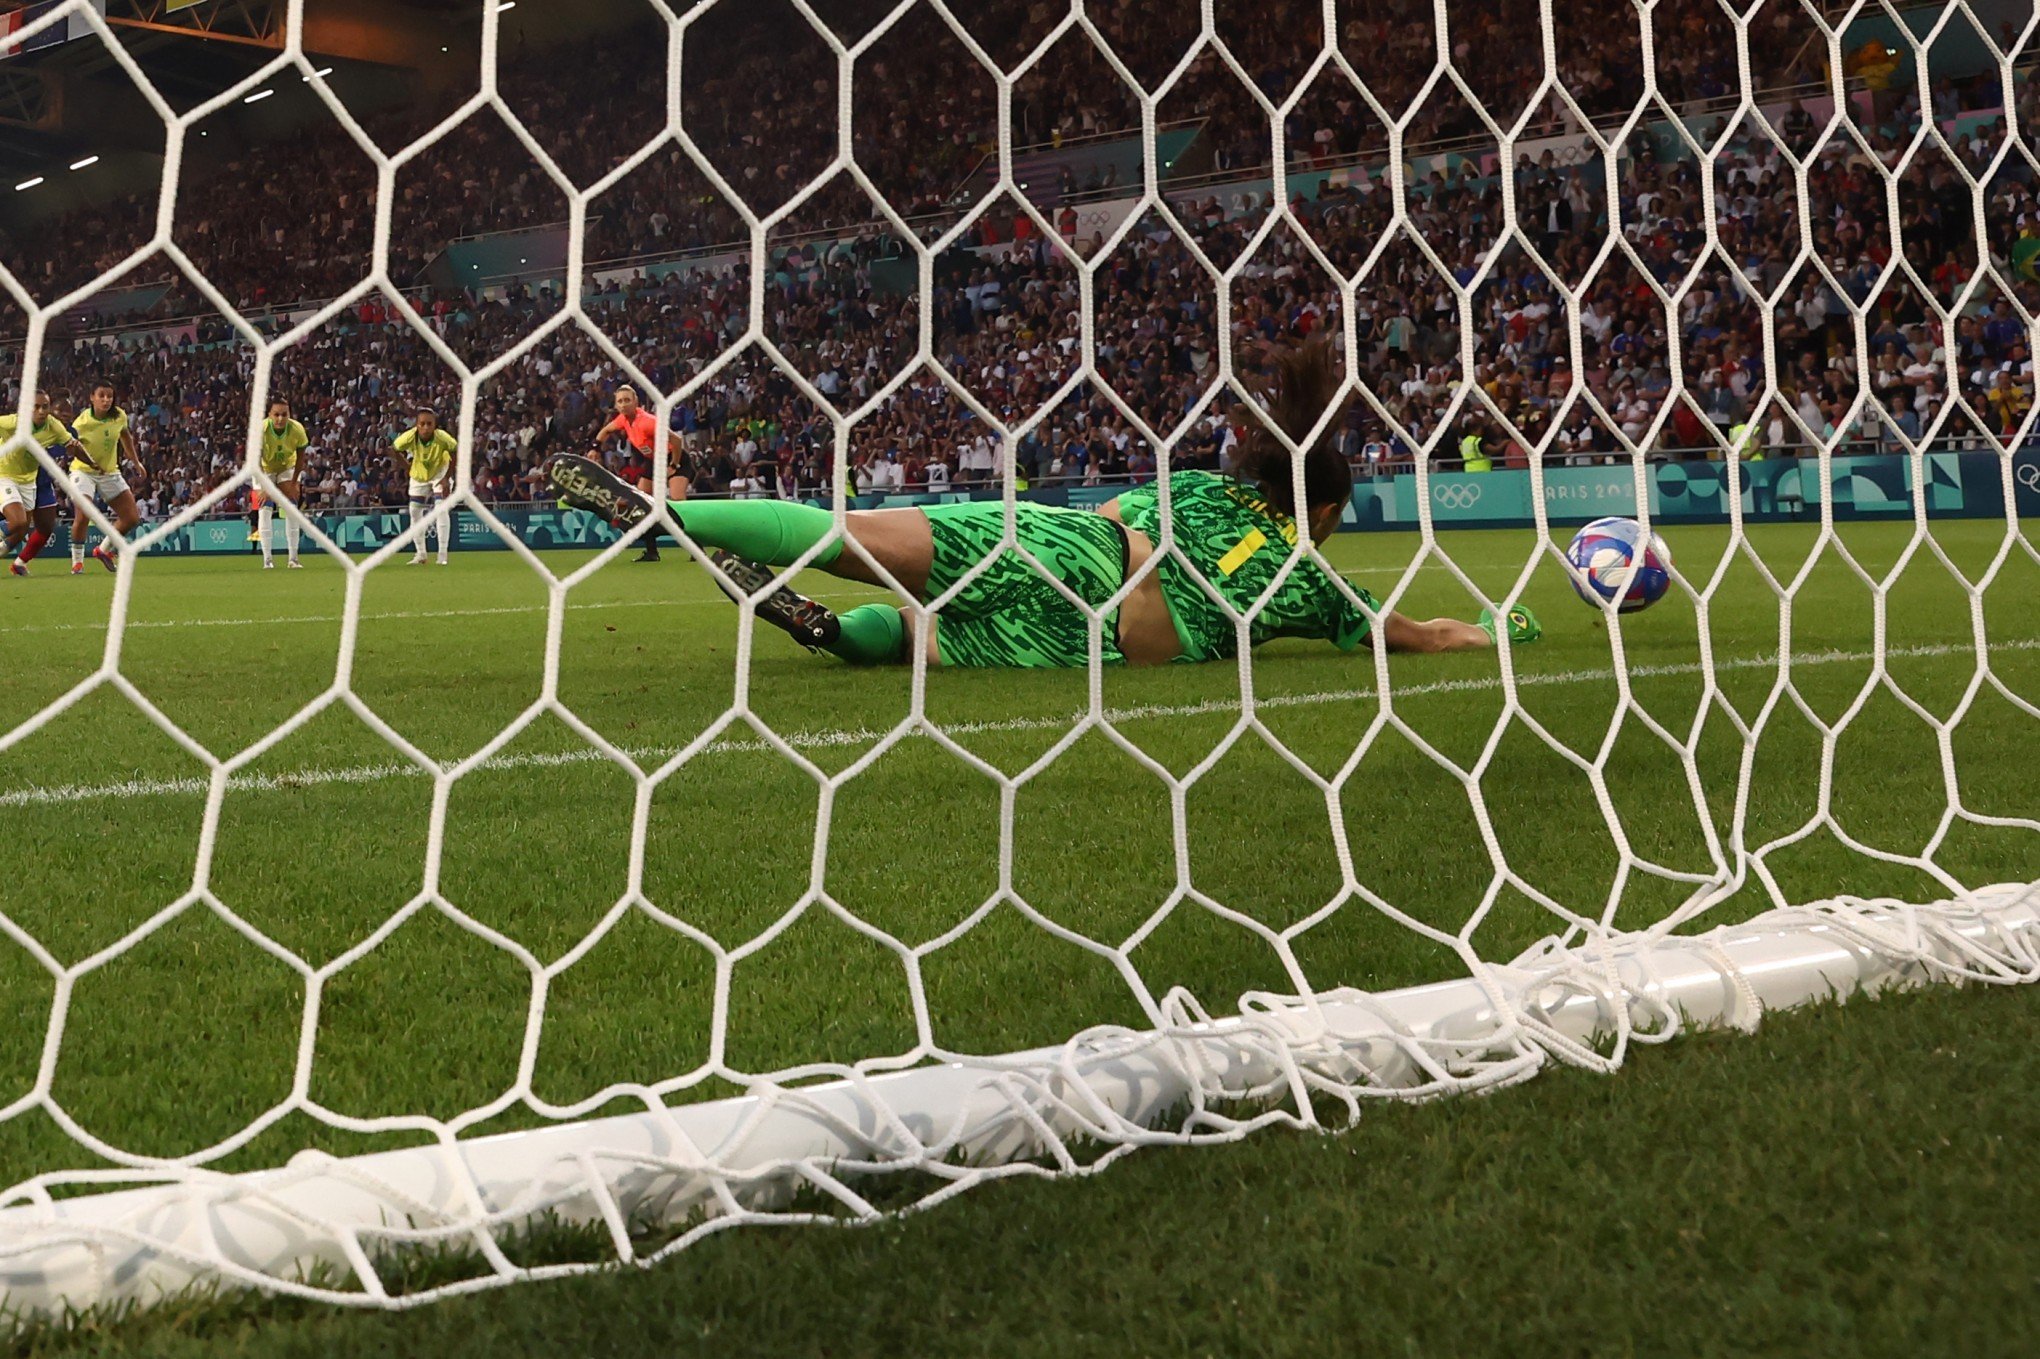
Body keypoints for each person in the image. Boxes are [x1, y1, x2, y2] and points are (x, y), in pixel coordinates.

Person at [542, 340, 1540, 669]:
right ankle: (832, 636)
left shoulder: (1201, 485)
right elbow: (1426, 633)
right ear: (1321, 513)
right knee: (925, 639)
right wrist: (1502, 625)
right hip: (1086, 641)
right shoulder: (1315, 587)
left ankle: (669, 518)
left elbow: (1113, 521)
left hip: (1059, 548)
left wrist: (1145, 547)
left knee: (854, 541)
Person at [591, 383, 690, 563]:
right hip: (654, 462)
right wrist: (595, 449)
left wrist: (674, 465)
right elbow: (605, 431)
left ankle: (696, 549)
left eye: (627, 400)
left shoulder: (647, 421)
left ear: (636, 401)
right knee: (641, 504)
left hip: (674, 458)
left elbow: (676, 440)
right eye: (620, 401)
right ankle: (652, 552)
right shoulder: (623, 419)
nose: (623, 404)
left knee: (678, 502)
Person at [0, 390, 87, 577]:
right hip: (13, 477)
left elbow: (71, 453)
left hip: (42, 484)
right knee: (19, 525)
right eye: (61, 414)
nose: (64, 419)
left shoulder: (66, 433)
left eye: (68, 416)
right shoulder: (25, 424)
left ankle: (20, 562)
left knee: (46, 527)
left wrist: (90, 462)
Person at [66, 379, 148, 574]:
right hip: (83, 471)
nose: (106, 400)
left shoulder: (119, 416)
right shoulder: (81, 423)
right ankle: (77, 562)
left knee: (131, 517)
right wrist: (89, 461)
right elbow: (70, 449)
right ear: (92, 398)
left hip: (109, 472)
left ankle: (103, 550)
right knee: (84, 513)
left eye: (109, 396)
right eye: (101, 395)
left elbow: (125, 436)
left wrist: (136, 462)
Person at [392, 407, 457, 565]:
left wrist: (447, 478)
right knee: (414, 511)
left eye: (429, 424)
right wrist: (408, 467)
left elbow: (455, 452)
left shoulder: (443, 438)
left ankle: (442, 555)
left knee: (441, 509)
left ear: (435, 425)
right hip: (419, 475)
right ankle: (421, 554)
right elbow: (394, 450)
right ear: (417, 424)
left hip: (440, 472)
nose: (426, 427)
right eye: (422, 424)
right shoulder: (409, 437)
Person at [254, 398, 309, 570]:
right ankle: (267, 560)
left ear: (289, 415)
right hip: (264, 470)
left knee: (291, 508)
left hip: (287, 467)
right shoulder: (260, 430)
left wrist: (294, 484)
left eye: (284, 414)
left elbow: (301, 459)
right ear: (269, 415)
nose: (280, 419)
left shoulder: (297, 429)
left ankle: (293, 559)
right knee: (265, 508)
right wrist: (264, 487)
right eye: (276, 414)